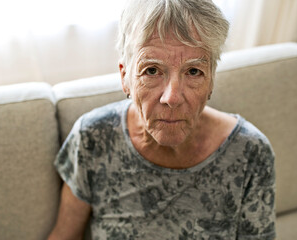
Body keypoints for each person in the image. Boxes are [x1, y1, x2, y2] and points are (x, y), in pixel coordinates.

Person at [48, 0, 276, 239]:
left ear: (211, 81)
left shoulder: (250, 153)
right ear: (125, 77)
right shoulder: (93, 138)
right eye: (152, 70)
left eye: (193, 71)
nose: (172, 98)